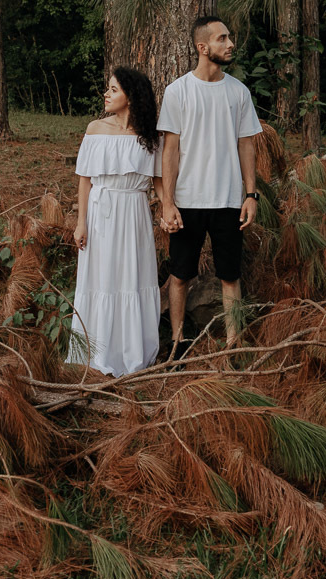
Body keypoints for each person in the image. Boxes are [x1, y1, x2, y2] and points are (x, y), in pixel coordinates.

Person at [157, 15, 262, 356]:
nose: (231, 44)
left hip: (228, 200)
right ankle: (177, 345)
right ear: (202, 47)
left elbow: (246, 145)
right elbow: (170, 150)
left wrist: (250, 194)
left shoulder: (238, 92)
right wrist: (168, 202)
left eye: (229, 37)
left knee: (230, 276)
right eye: (222, 38)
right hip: (187, 201)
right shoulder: (178, 91)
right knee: (180, 275)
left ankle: (233, 346)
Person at [66, 67, 163, 377]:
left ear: (130, 96)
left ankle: (132, 353)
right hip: (100, 214)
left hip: (134, 213)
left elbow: (158, 181)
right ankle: (96, 353)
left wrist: (168, 208)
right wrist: (81, 222)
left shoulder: (149, 135)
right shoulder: (95, 129)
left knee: (132, 276)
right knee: (101, 278)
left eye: (113, 89)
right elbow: (85, 180)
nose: (106, 94)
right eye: (107, 89)